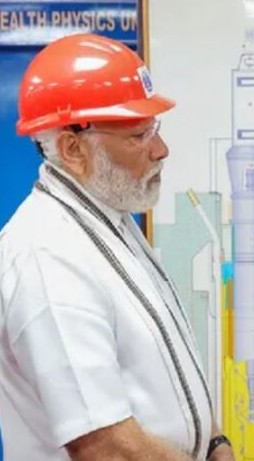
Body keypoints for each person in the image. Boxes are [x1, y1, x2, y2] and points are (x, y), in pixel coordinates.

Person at [0, 34, 235, 461]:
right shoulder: (47, 256)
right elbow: (105, 446)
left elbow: (166, 375)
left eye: (155, 130)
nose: (161, 150)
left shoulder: (109, 218)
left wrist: (215, 442)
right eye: (139, 136)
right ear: (74, 148)